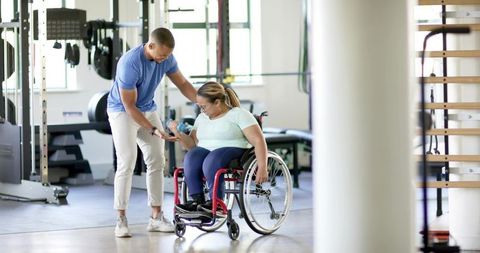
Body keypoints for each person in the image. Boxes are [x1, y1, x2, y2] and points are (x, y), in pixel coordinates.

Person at [107, 27, 196, 237]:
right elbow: (129, 106)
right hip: (121, 111)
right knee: (127, 161)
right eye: (162, 54)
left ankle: (156, 217)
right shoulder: (130, 63)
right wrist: (153, 129)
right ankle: (120, 219)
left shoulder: (166, 58)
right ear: (151, 45)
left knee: (157, 159)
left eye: (168, 55)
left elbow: (182, 83)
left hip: (147, 107)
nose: (165, 58)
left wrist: (203, 102)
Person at [167, 81, 268, 215]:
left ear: (217, 102)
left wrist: (262, 167)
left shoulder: (239, 114)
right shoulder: (202, 118)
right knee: (191, 157)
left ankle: (216, 203)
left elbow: (258, 140)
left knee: (212, 159)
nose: (202, 110)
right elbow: (191, 144)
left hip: (234, 150)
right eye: (199, 107)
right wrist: (177, 132)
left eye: (204, 107)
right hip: (206, 152)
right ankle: (198, 201)